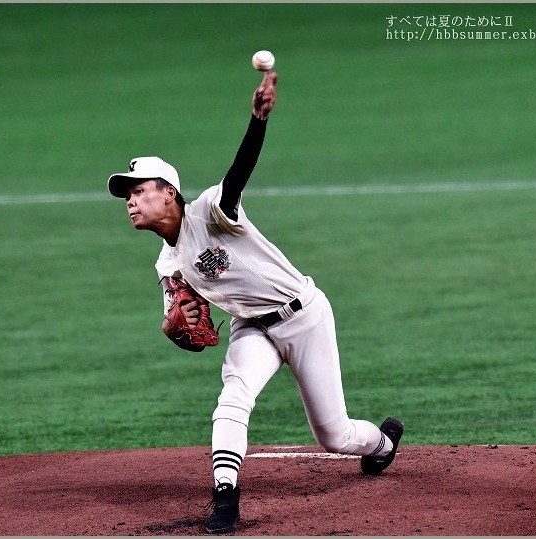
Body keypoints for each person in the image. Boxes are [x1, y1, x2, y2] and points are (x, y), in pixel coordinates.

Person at [107, 69, 403, 534]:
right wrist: (174, 328)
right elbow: (188, 330)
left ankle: (383, 443)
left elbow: (237, 175)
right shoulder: (167, 264)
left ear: (170, 193)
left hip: (303, 315)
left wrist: (257, 121)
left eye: (140, 190)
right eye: (128, 194)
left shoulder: (208, 210)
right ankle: (225, 497)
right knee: (233, 398)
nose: (131, 201)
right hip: (251, 328)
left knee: (334, 435)